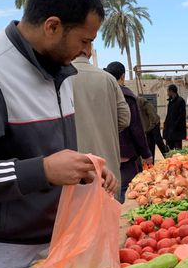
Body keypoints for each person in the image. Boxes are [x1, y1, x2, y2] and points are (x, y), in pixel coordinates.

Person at [0, 0, 117, 268]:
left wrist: (86, 168)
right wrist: (43, 170)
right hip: (4, 253)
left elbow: (47, 149)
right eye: (84, 40)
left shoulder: (60, 70)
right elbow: (39, 165)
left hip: (57, 246)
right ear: (52, 26)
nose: (88, 51)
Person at [72, 50, 130, 191]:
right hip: (107, 167)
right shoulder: (108, 79)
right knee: (109, 207)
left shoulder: (58, 79)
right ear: (88, 52)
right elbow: (124, 119)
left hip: (74, 171)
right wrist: (105, 128)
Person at [104, 62, 153, 203]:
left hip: (105, 152)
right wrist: (146, 153)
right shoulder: (126, 96)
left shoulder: (101, 93)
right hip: (125, 154)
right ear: (123, 76)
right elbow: (135, 127)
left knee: (108, 190)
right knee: (123, 190)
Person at [137, 96, 168, 163]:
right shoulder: (135, 104)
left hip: (154, 125)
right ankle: (151, 164)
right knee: (150, 145)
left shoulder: (142, 102)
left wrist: (150, 127)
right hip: (148, 128)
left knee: (159, 143)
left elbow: (153, 116)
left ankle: (169, 159)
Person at [163, 84, 186, 150]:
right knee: (168, 151)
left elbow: (181, 117)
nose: (167, 93)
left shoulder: (180, 101)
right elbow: (169, 115)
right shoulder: (170, 101)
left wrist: (174, 127)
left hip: (177, 132)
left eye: (168, 91)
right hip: (169, 132)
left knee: (178, 152)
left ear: (171, 91)